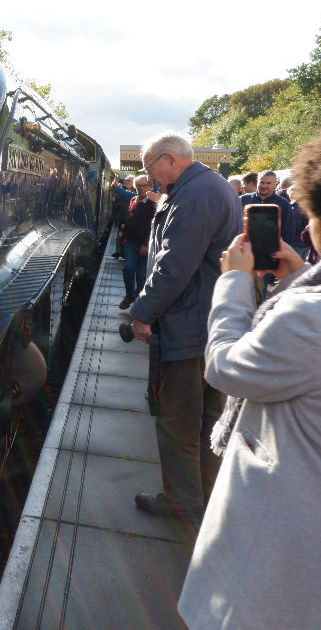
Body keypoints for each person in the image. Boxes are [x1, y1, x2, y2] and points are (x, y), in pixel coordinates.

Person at [178, 120, 321, 629]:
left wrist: (234, 283)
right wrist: (301, 277)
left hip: (283, 571)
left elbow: (228, 365)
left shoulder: (310, 317)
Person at [128, 133, 242, 520]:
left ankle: (181, 500)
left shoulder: (193, 196)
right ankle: (207, 496)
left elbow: (174, 264)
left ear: (171, 159)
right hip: (208, 321)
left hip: (188, 324)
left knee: (177, 419)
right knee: (210, 418)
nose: (150, 176)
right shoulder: (210, 187)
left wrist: (142, 312)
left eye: (150, 168)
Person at [118, 175, 156, 309]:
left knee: (141, 276)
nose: (141, 188)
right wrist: (124, 232)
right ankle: (129, 295)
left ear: (149, 187)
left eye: (144, 185)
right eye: (139, 185)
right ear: (135, 187)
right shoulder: (133, 200)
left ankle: (138, 302)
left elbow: (154, 226)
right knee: (128, 269)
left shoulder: (153, 204)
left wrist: (146, 245)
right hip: (131, 242)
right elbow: (130, 219)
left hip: (145, 245)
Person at [239, 170, 295, 246]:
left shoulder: (283, 204)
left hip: (271, 249)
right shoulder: (243, 200)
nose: (264, 186)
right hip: (246, 247)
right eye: (262, 182)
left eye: (268, 183)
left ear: (275, 183)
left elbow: (288, 231)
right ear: (257, 182)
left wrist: (285, 252)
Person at [110, 176, 135, 259]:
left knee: (128, 236)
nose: (126, 182)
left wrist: (117, 188)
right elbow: (117, 204)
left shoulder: (133, 193)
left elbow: (129, 196)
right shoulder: (123, 191)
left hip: (130, 218)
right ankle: (119, 252)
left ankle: (125, 253)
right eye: (126, 180)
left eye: (129, 180)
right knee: (120, 234)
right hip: (122, 216)